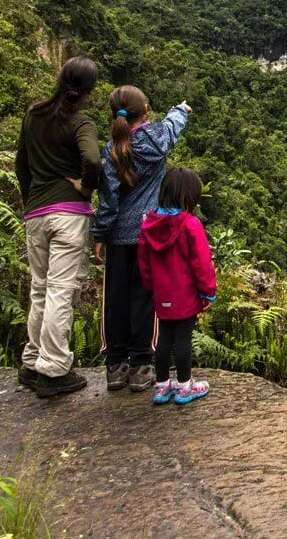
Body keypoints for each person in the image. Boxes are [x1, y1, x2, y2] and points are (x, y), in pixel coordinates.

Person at [93, 86, 191, 393]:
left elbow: (108, 200)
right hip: (149, 235)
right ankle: (140, 366)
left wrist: (100, 234)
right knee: (145, 298)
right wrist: (181, 109)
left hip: (118, 236)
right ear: (146, 110)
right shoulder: (156, 139)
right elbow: (173, 127)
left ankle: (115, 366)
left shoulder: (111, 150)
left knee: (115, 299)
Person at [15, 56, 101, 398]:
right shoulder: (81, 123)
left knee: (39, 288)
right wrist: (86, 187)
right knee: (60, 290)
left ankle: (31, 362)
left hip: (36, 213)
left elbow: (21, 164)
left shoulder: (33, 115)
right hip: (68, 215)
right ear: (89, 91)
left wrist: (31, 202)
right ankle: (53, 370)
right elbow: (92, 160)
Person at [139, 168, 217, 405]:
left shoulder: (149, 224)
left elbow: (144, 262)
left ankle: (162, 386)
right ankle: (184, 386)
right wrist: (208, 292)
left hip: (161, 294)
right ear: (189, 195)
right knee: (183, 339)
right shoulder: (190, 224)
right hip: (185, 295)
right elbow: (201, 262)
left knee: (164, 339)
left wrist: (151, 288)